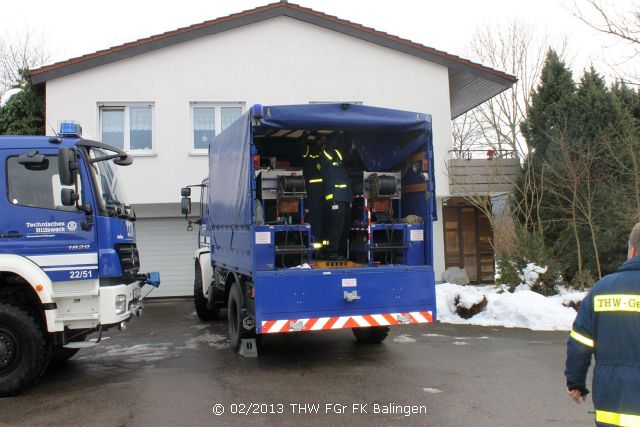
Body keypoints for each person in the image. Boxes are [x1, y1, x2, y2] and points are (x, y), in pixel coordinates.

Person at [565, 222, 640, 426]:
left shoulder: (602, 289)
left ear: (631, 250)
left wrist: (576, 382)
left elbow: (580, 342)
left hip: (613, 395)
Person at [319, 133, 351, 261]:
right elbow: (331, 147)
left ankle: (340, 251)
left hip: (345, 198)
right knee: (337, 225)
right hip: (335, 198)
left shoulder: (338, 162)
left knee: (344, 225)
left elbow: (341, 150)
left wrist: (347, 139)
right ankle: (332, 252)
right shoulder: (325, 161)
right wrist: (338, 132)